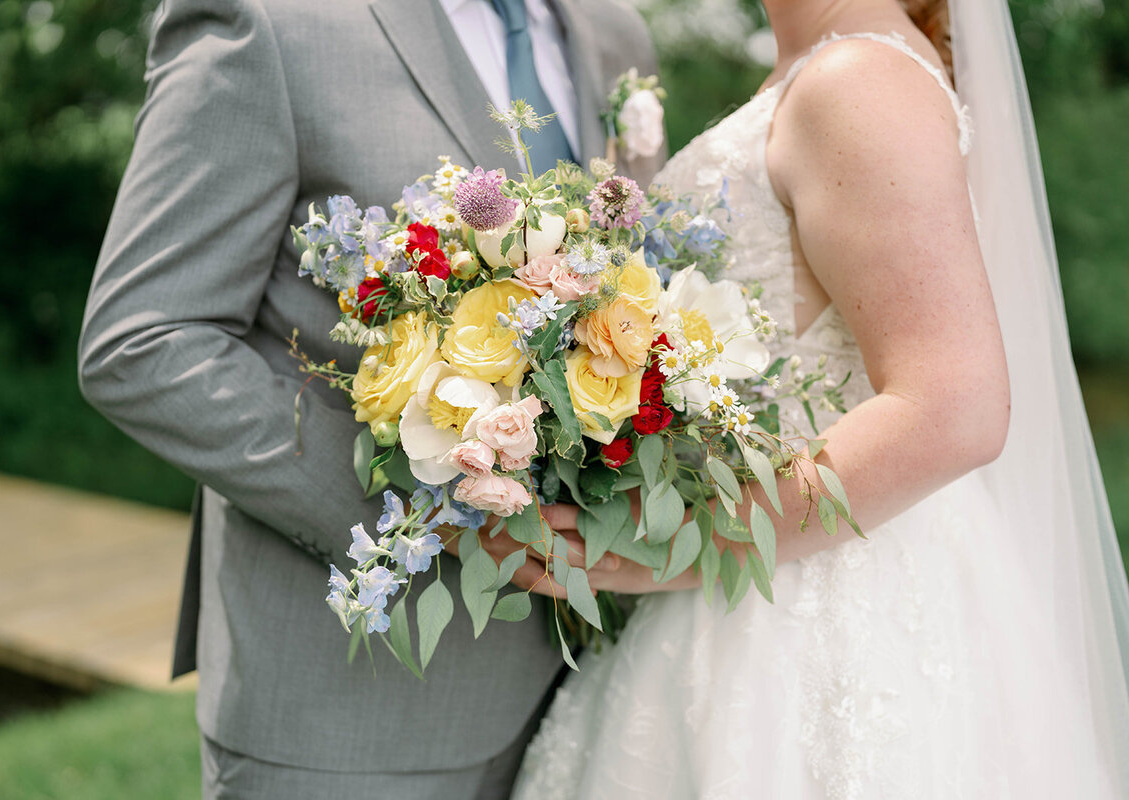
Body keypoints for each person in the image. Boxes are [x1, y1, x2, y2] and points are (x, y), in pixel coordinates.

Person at [512, 0, 1129, 795]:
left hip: (822, 613)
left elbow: (957, 407)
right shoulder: (827, 67)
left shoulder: (858, 82)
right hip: (762, 577)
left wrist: (679, 545)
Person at [77, 0, 663, 796]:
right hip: (353, 712)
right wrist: (445, 523)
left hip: (603, 708)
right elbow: (145, 342)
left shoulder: (613, 31)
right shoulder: (270, 20)